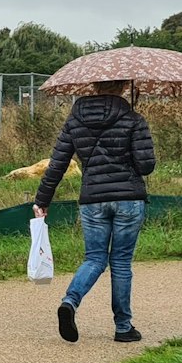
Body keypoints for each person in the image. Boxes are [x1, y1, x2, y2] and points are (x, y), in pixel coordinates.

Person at [33, 80, 157, 343]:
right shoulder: (133, 118)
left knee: (95, 259)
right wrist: (133, 131)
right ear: (124, 86)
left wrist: (42, 200)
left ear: (94, 85)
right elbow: (146, 166)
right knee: (121, 263)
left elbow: (57, 164)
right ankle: (123, 328)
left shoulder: (75, 121)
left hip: (92, 199)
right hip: (128, 199)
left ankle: (70, 301)